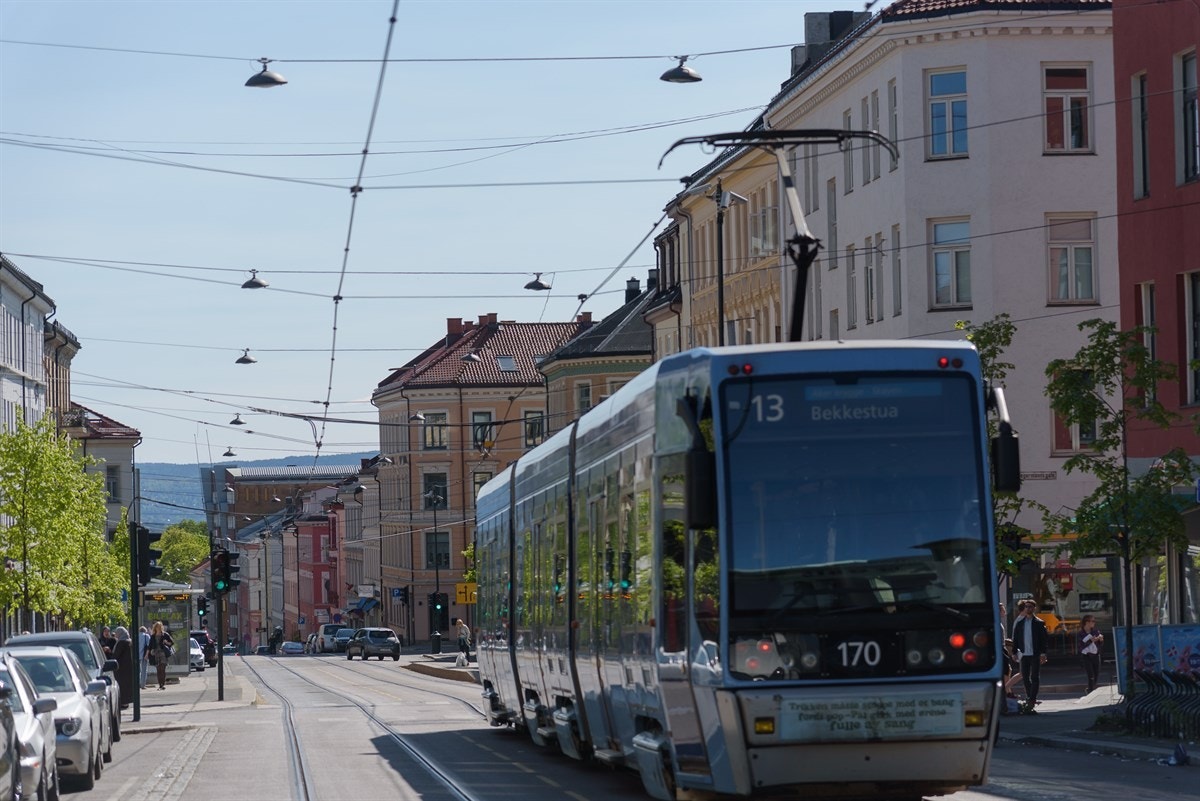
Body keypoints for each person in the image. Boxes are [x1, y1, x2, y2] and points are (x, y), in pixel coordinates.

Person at [1011, 599, 1048, 712]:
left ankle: (1032, 699)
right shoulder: (1020, 623)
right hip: (1023, 654)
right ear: (1024, 608)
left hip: (1035, 654)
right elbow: (1016, 639)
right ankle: (1029, 696)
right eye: (1026, 607)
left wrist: (1043, 653)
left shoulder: (1039, 623)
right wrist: (1014, 653)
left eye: (1030, 607)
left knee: (1035, 677)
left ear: (1034, 608)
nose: (1028, 608)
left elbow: (1044, 640)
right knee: (1025, 677)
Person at [1078, 614, 1104, 693]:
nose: (1093, 623)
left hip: (1096, 655)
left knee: (1096, 674)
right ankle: (1090, 690)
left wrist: (1101, 639)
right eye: (1092, 621)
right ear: (1086, 622)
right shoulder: (1081, 633)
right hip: (1087, 656)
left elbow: (1100, 644)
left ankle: (1090, 689)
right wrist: (1090, 641)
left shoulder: (1095, 631)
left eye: (1094, 621)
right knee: (1091, 675)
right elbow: (1080, 646)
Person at [149, 621, 174, 690]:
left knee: (162, 669)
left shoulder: (165, 634)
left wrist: (166, 642)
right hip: (156, 654)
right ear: (155, 628)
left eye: (160, 627)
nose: (159, 628)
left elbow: (172, 642)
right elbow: (150, 646)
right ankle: (160, 684)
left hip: (163, 653)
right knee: (158, 669)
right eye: (157, 627)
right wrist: (147, 654)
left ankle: (162, 684)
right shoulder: (153, 636)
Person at [112, 626, 133, 708]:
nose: (115, 635)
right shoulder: (129, 641)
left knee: (121, 685)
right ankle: (126, 702)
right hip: (128, 667)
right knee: (126, 686)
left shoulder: (121, 643)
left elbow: (116, 655)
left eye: (117, 633)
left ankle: (123, 702)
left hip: (121, 668)